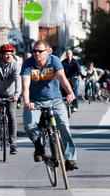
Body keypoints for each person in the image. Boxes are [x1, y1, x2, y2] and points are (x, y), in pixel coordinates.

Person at [21, 40, 78, 171]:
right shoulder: (28, 64)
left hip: (55, 100)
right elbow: (25, 86)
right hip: (35, 102)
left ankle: (70, 159)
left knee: (64, 126)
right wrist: (26, 102)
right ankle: (39, 147)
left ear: (48, 52)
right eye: (34, 51)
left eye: (40, 51)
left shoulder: (54, 61)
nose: (36, 54)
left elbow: (62, 78)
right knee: (29, 125)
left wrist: (70, 93)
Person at [0, 43, 21, 154]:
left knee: (11, 115)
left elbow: (18, 80)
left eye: (10, 54)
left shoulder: (15, 65)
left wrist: (16, 94)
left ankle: (13, 143)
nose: (8, 56)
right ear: (1, 55)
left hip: (11, 94)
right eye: (5, 54)